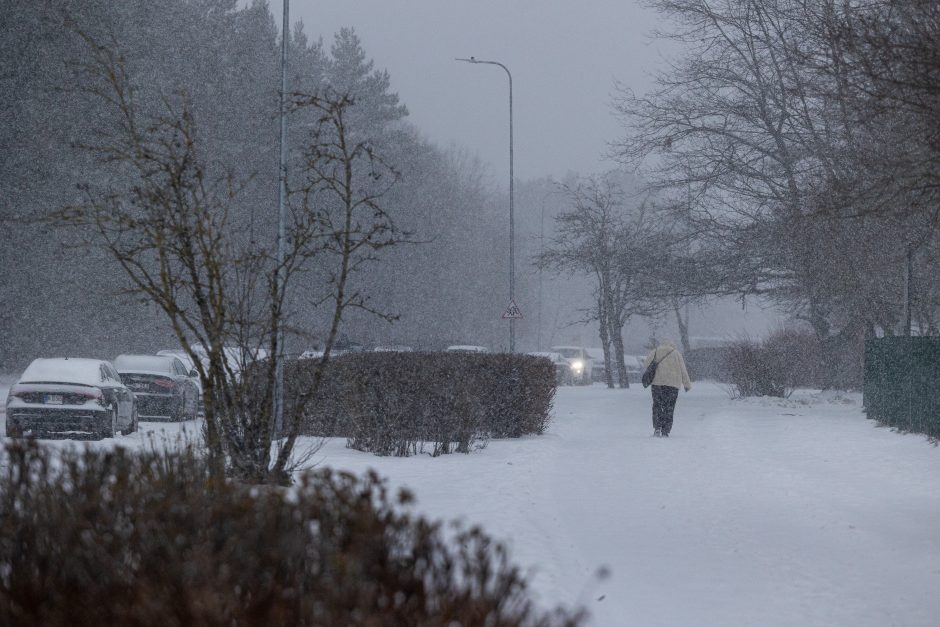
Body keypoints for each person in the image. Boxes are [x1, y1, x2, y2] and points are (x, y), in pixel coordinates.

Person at [643, 339, 692, 437]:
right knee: (669, 407)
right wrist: (687, 384)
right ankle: (665, 431)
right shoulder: (676, 353)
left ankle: (657, 428)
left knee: (657, 405)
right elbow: (683, 370)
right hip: (673, 385)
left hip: (657, 384)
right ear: (672, 344)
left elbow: (646, 364)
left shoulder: (655, 351)